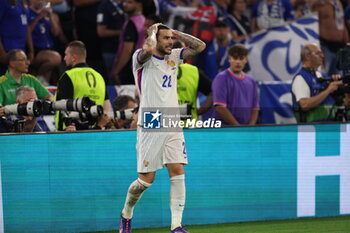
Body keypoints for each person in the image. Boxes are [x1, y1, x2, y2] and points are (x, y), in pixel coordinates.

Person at [119, 23, 206, 233]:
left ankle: (176, 225)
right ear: (154, 39)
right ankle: (126, 212)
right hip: (152, 119)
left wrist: (176, 33)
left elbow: (200, 46)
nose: (170, 42)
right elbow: (148, 50)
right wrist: (151, 33)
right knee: (145, 181)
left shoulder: (174, 55)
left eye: (170, 38)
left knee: (177, 170)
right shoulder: (141, 58)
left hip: (172, 119)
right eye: (165, 38)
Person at [55, 40, 112, 131]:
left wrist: (66, 128)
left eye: (66, 55)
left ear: (73, 57)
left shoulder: (69, 75)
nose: (64, 58)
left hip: (71, 132)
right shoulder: (99, 76)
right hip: (96, 131)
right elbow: (107, 107)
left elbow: (63, 106)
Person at [291, 43, 342, 122]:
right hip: (312, 130)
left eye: (322, 53)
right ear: (307, 56)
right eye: (318, 53)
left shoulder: (324, 76)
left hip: (331, 126)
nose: (323, 56)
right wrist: (328, 90)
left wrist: (337, 83)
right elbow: (305, 105)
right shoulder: (301, 78)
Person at [212, 44, 259, 126]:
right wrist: (238, 128)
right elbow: (220, 107)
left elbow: (255, 108)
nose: (238, 62)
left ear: (246, 60)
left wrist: (250, 128)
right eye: (235, 58)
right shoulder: (221, 78)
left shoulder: (251, 81)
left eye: (241, 58)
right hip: (224, 130)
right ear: (229, 59)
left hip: (244, 131)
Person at [28, 0, 62, 85]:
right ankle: (38, 78)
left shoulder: (49, 14)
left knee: (48, 73)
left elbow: (56, 32)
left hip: (49, 47)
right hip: (37, 49)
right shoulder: (28, 12)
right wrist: (39, 17)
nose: (41, 1)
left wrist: (50, 15)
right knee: (55, 58)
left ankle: (42, 86)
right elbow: (27, 31)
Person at [111, 0, 145, 85]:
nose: (125, 5)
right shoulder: (143, 20)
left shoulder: (132, 23)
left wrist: (117, 70)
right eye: (125, 2)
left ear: (139, 4)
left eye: (130, 2)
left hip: (129, 68)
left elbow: (127, 50)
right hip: (139, 66)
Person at [311, 0, 349, 75]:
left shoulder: (338, 2)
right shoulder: (318, 3)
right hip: (325, 46)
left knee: (339, 78)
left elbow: (342, 23)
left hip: (340, 46)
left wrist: (347, 43)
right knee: (325, 76)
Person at [0, 0, 34, 74]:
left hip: (22, 50)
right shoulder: (3, 2)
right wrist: (1, 52)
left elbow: (27, 27)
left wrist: (31, 50)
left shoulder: (23, 2)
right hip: (8, 49)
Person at [96, 0, 125, 75]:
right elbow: (101, 32)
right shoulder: (104, 6)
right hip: (111, 50)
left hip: (124, 48)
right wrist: (122, 32)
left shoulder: (126, 3)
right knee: (113, 76)